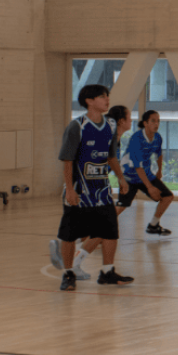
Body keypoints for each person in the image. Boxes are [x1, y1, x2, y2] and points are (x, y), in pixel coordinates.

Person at [50, 85, 134, 290]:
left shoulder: (111, 125)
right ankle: (68, 273)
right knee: (70, 234)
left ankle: (107, 272)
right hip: (80, 192)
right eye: (102, 97)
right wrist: (69, 189)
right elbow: (67, 161)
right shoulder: (77, 126)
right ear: (89, 101)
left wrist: (121, 179)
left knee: (110, 232)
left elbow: (111, 156)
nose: (107, 100)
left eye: (108, 96)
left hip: (102, 191)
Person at [117, 110, 174, 236]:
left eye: (158, 120)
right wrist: (150, 187)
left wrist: (159, 171)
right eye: (153, 120)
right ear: (145, 123)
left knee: (168, 196)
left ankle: (153, 225)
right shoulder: (137, 138)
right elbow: (138, 166)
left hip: (145, 174)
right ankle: (97, 230)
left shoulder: (157, 137)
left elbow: (158, 154)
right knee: (122, 206)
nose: (157, 123)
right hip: (129, 176)